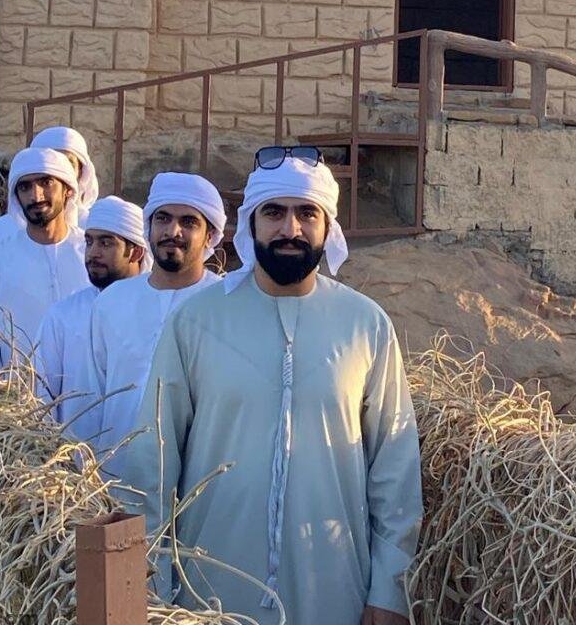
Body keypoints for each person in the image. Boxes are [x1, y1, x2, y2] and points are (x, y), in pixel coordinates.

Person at [125, 148, 423, 625]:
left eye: (307, 213)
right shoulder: (197, 321)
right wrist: (152, 583)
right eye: (274, 213)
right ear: (251, 223)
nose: (290, 229)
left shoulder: (365, 325)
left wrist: (391, 587)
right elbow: (152, 460)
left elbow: (394, 465)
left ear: (328, 226)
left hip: (335, 587)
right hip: (208, 590)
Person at [85, 172, 226, 477]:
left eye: (188, 222)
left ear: (210, 236)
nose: (172, 231)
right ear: (149, 228)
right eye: (163, 219)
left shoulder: (226, 305)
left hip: (198, 480)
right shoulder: (112, 301)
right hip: (114, 476)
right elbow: (92, 394)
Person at [36, 196, 150, 439]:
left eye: (106, 243)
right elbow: (43, 395)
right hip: (71, 455)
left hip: (138, 454)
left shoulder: (157, 312)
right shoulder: (63, 315)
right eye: (89, 242)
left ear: (137, 252)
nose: (93, 253)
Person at [0, 147, 91, 372]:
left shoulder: (91, 255)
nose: (36, 196)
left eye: (46, 182)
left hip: (86, 390)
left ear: (67, 189)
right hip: (18, 390)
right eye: (25, 187)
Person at [0, 125, 99, 251]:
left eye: (68, 163)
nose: (59, 170)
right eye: (49, 163)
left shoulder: (95, 228)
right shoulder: (1, 230)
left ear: (81, 172)